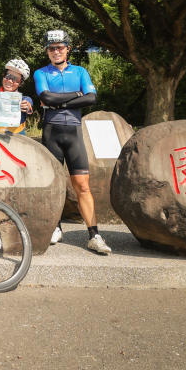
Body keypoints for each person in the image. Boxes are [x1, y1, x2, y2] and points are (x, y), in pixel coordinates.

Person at [34, 30, 110, 255]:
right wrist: (76, 97)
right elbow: (46, 98)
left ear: (67, 49)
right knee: (53, 185)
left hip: (74, 132)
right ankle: (55, 227)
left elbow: (92, 98)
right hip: (51, 131)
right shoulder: (41, 72)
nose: (56, 51)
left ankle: (94, 234)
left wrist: (60, 103)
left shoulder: (80, 71)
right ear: (47, 52)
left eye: (60, 47)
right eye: (51, 48)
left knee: (82, 185)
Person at [0, 59, 34, 135]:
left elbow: (29, 102)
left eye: (15, 79)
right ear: (3, 76)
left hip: (18, 142)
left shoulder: (24, 100)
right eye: (7, 76)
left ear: (20, 83)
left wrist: (26, 106)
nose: (10, 81)